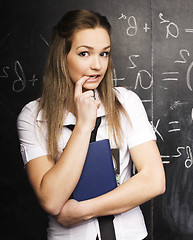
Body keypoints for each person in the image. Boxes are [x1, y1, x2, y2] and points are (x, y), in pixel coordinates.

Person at [17, 9, 165, 240]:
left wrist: (82, 211)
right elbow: (52, 200)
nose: (97, 65)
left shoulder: (126, 101)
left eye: (104, 54)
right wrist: (84, 125)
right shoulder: (33, 115)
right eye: (84, 53)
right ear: (62, 56)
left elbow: (154, 180)